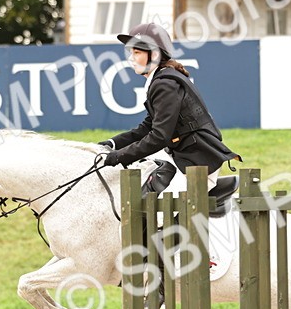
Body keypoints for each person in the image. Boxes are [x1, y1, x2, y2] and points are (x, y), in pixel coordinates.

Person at [99, 22, 240, 195]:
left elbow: (159, 137)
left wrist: (120, 156)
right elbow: (148, 127)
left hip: (197, 162)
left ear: (155, 54)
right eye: (131, 53)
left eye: (137, 53)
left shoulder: (164, 84)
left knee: (156, 207)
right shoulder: (160, 80)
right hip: (182, 155)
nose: (131, 58)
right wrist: (112, 144)